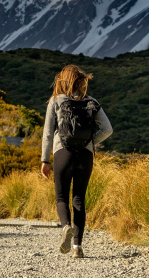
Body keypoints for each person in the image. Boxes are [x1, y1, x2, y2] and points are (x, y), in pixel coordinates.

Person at [40, 64, 113, 259]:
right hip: (85, 156)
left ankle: (66, 227)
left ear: (62, 80)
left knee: (62, 197)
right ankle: (77, 248)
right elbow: (107, 129)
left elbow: (47, 133)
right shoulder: (92, 102)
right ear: (81, 82)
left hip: (63, 153)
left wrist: (44, 160)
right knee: (79, 199)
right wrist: (89, 142)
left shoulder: (55, 101)